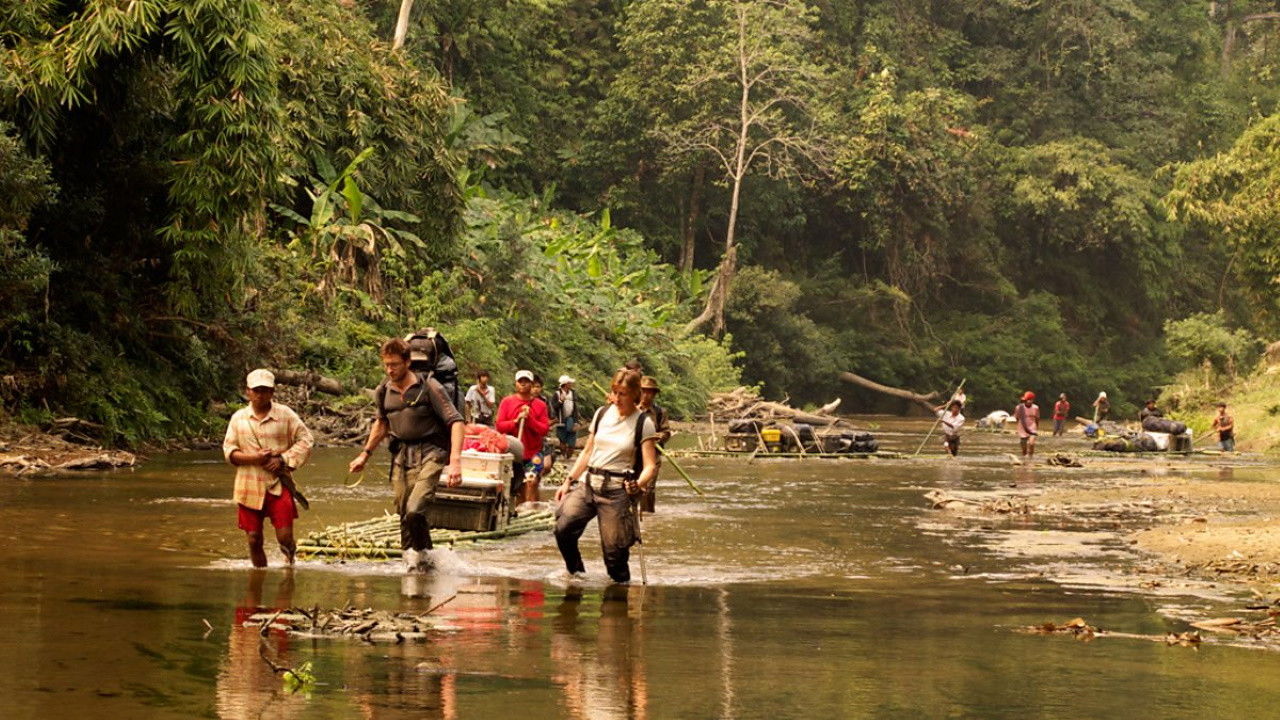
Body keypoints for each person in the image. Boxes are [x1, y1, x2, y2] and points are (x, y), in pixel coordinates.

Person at [349, 338, 464, 572]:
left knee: (415, 508)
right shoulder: (384, 390)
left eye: (395, 364)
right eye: (386, 365)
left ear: (408, 362)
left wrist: (455, 462)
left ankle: (425, 558)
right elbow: (382, 424)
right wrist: (365, 454)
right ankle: (414, 563)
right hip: (401, 455)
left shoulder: (429, 386)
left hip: (432, 452)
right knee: (404, 512)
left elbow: (456, 422)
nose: (390, 370)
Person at [554, 368, 658, 583]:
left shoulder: (643, 423)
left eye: (623, 394)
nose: (617, 398)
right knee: (563, 529)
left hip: (616, 491)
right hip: (588, 485)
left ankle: (620, 593)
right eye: (615, 392)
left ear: (635, 395)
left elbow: (650, 465)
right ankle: (576, 573)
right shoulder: (602, 413)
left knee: (614, 553)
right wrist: (568, 481)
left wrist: (638, 484)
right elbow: (587, 451)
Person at [223, 369, 314, 568]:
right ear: (248, 391)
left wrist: (283, 459)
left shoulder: (286, 415)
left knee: (285, 538)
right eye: (256, 390)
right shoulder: (239, 419)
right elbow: (229, 452)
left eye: (265, 390)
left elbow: (306, 440)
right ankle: (259, 576)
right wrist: (254, 458)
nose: (260, 394)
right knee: (254, 539)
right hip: (248, 485)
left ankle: (290, 561)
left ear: (272, 392)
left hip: (278, 484)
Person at [496, 370, 551, 503]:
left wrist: (530, 419)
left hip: (533, 453)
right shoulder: (507, 402)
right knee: (516, 487)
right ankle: (517, 514)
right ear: (516, 384)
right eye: (520, 381)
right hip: (512, 453)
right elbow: (500, 426)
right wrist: (515, 421)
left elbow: (544, 429)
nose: (523, 384)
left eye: (526, 382)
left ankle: (532, 511)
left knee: (531, 482)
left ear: (531, 384)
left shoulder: (540, 405)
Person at [637, 375, 672, 511]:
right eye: (644, 391)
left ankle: (648, 516)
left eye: (650, 392)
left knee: (648, 488)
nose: (646, 395)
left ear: (654, 394)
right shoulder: (631, 410)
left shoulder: (660, 412)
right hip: (634, 454)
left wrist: (659, 436)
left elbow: (666, 432)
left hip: (653, 456)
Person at [549, 375, 582, 460]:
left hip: (571, 420)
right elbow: (554, 407)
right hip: (560, 421)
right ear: (565, 384)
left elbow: (575, 408)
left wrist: (576, 421)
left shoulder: (573, 393)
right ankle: (564, 458)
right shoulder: (557, 394)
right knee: (562, 441)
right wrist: (560, 401)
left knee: (572, 444)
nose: (571, 384)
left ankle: (568, 458)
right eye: (569, 383)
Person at [1014, 391, 1040, 458]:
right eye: (1028, 399)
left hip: (1032, 427)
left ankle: (1031, 457)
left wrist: (1036, 427)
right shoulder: (1019, 408)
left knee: (1031, 444)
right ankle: (1024, 458)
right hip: (1022, 428)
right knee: (1024, 448)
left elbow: (1037, 418)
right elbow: (1017, 418)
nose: (1029, 401)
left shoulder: (1035, 408)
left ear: (1033, 400)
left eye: (1031, 400)